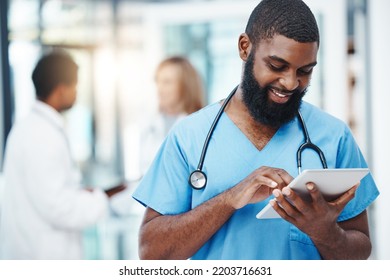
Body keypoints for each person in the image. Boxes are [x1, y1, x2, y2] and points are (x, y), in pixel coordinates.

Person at [132, 0, 379, 260]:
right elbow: (151, 253)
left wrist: (324, 232)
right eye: (277, 66)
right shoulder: (189, 138)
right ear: (244, 47)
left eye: (304, 71)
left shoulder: (334, 137)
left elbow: (360, 251)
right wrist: (228, 199)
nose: (290, 82)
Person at [0, 50, 125, 259]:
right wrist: (101, 200)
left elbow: (47, 191)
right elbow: (58, 208)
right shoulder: (41, 136)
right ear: (61, 90)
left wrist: (82, 194)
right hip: (43, 256)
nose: (76, 93)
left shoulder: (31, 128)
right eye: (75, 86)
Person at [139, 56, 205, 176]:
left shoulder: (201, 128)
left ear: (185, 86)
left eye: (167, 82)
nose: (159, 89)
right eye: (157, 81)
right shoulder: (150, 124)